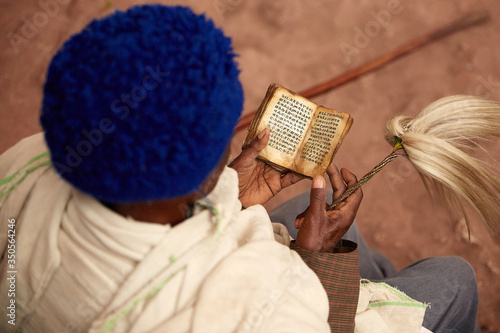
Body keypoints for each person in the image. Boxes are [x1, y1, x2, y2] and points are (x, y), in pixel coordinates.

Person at [0, 4, 479, 333]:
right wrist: (315, 263)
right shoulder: (253, 304)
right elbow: (305, 321)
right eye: (225, 135)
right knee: (454, 280)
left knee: (348, 242)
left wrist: (231, 191)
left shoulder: (25, 166)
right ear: (193, 180)